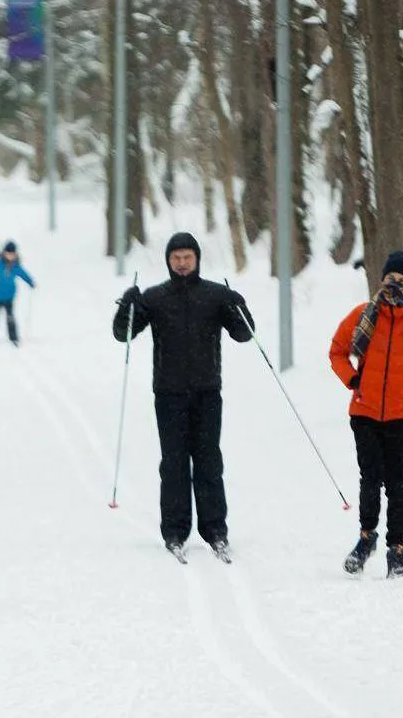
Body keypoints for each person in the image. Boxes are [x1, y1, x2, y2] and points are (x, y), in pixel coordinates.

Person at [112, 232, 253, 559]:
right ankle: (174, 530)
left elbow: (244, 334)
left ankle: (215, 529)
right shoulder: (156, 297)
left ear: (197, 259)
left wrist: (238, 304)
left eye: (187, 257)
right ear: (168, 261)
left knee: (208, 461)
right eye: (176, 258)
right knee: (173, 464)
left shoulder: (215, 295)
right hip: (169, 393)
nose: (182, 263)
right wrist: (127, 305)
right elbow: (124, 334)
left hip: (207, 393)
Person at [330, 250, 403, 578]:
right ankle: (366, 539)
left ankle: (397, 550)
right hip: (364, 413)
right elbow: (337, 351)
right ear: (381, 281)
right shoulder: (363, 315)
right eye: (390, 279)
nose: (395, 285)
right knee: (370, 480)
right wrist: (353, 379)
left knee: (397, 484)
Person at [0, 241, 36, 347]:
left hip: (9, 297)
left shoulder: (16, 266)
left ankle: (13, 337)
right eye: (8, 253)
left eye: (12, 254)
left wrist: (30, 282)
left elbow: (23, 274)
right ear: (4, 253)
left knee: (10, 317)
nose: (10, 256)